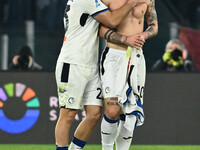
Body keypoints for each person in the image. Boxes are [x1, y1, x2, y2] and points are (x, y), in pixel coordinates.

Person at [54, 0, 145, 150]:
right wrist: (131, 3)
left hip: (90, 63)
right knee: (68, 114)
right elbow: (112, 19)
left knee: (95, 114)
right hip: (73, 62)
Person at [98, 0, 158, 150]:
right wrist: (126, 39)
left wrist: (144, 35)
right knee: (112, 111)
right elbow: (100, 30)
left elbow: (154, 26)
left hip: (136, 57)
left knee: (130, 111)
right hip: (114, 56)